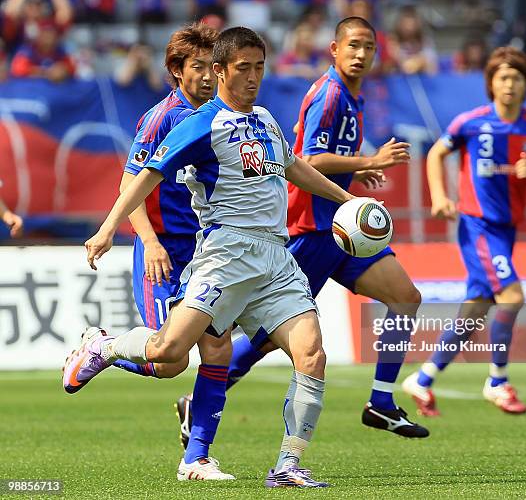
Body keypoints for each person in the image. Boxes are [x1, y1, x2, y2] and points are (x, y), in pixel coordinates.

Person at [64, 26, 361, 488]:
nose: (253, 78)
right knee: (168, 352)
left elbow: (295, 166)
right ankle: (103, 347)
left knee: (312, 353)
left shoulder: (264, 119)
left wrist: (346, 200)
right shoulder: (199, 124)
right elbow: (144, 177)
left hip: (275, 259)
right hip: (224, 254)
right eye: (243, 68)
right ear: (223, 71)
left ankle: (287, 465)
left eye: (259, 68)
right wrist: (106, 229)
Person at [176, 16, 429, 446]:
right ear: (334, 49)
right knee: (273, 336)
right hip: (311, 229)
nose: (360, 54)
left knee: (406, 297)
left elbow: (328, 157)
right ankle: (195, 402)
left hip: (343, 231)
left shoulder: (352, 96)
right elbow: (306, 160)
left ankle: (381, 403)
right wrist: (368, 162)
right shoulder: (328, 95)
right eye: (353, 46)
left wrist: (354, 175)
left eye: (368, 47)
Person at [402, 47, 526, 417]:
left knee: (475, 311)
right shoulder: (470, 122)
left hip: (506, 230)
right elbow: (435, 154)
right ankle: (497, 380)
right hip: (477, 225)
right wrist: (441, 196)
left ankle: (423, 378)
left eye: (517, 77)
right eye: (503, 77)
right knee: (512, 296)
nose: (509, 84)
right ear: (491, 83)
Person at [110, 23, 219, 381]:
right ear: (177, 70)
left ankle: (199, 431)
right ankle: (103, 348)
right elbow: (130, 184)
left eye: (212, 67)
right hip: (162, 250)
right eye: (198, 67)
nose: (207, 77)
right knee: (170, 360)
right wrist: (150, 242)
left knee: (217, 348)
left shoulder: (221, 116)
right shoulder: (162, 118)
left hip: (204, 250)